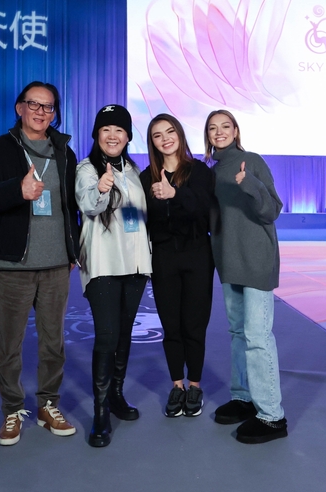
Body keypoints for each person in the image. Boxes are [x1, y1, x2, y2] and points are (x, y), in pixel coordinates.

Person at [0, 81, 80, 445]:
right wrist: (16, 192)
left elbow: (72, 207)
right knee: (10, 344)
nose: (40, 112)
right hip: (12, 266)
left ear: (55, 113)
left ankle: (49, 405)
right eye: (33, 104)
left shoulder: (65, 151)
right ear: (19, 108)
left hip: (55, 266)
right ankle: (12, 409)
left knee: (54, 342)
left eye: (48, 107)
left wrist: (72, 250)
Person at [203, 109, 288, 444]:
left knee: (257, 336)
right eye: (213, 128)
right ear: (207, 136)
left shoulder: (251, 161)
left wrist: (250, 184)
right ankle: (244, 397)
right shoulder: (211, 171)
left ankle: (271, 416)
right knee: (238, 332)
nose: (219, 132)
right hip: (228, 260)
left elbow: (272, 210)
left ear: (236, 130)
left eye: (225, 126)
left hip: (255, 261)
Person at [75, 104, 151, 447]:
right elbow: (89, 206)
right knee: (107, 336)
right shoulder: (86, 169)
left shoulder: (135, 171)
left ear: (128, 136)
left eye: (119, 130)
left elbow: (139, 217)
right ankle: (101, 412)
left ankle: (117, 396)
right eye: (106, 130)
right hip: (105, 265)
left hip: (134, 267)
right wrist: (103, 187)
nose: (112, 136)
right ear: (96, 135)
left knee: (123, 336)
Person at [139, 114, 214, 418]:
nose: (165, 138)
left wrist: (175, 194)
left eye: (170, 131)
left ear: (180, 135)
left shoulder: (199, 172)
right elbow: (141, 221)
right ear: (152, 142)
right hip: (164, 258)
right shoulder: (146, 177)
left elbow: (207, 209)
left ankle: (195, 385)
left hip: (197, 254)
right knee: (171, 325)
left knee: (194, 324)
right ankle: (177, 385)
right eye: (158, 135)